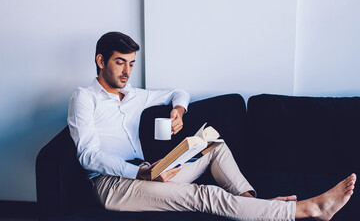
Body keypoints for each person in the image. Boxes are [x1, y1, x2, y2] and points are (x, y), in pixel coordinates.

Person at [67, 31, 356, 220]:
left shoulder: (134, 95)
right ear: (100, 60)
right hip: (113, 185)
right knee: (207, 194)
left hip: (150, 171)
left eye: (131, 63)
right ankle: (310, 209)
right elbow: (88, 156)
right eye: (120, 63)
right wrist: (138, 172)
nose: (127, 72)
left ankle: (256, 206)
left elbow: (177, 92)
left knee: (215, 147)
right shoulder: (84, 98)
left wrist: (178, 110)